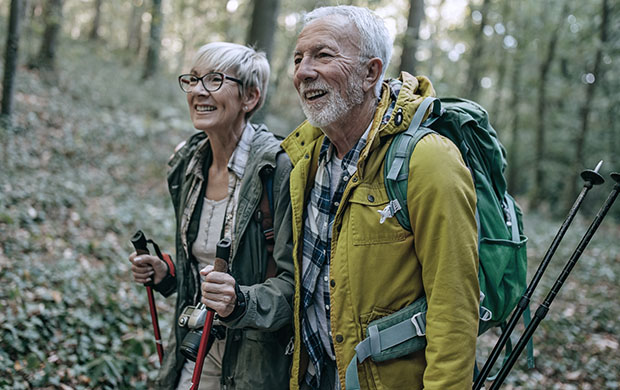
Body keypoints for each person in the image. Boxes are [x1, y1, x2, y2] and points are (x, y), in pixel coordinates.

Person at [281, 5, 480, 390]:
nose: (303, 71)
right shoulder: (306, 159)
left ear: (370, 72)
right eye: (298, 58)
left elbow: (454, 310)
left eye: (322, 55)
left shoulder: (428, 161)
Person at [128, 42, 294, 390]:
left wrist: (240, 303)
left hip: (253, 361)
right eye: (192, 79)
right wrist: (167, 273)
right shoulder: (188, 165)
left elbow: (295, 288)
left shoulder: (277, 171)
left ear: (250, 97)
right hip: (194, 345)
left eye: (215, 80)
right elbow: (200, 265)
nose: (198, 91)